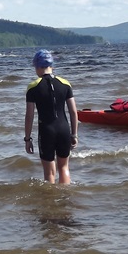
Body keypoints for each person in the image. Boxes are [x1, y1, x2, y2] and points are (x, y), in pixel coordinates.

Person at [24, 49, 78, 184]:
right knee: (64, 167)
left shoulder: (33, 87)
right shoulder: (65, 83)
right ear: (51, 66)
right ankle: (65, 200)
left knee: (49, 172)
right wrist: (74, 135)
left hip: (46, 131)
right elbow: (73, 112)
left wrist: (27, 138)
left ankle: (51, 202)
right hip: (64, 129)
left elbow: (29, 115)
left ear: (36, 66)